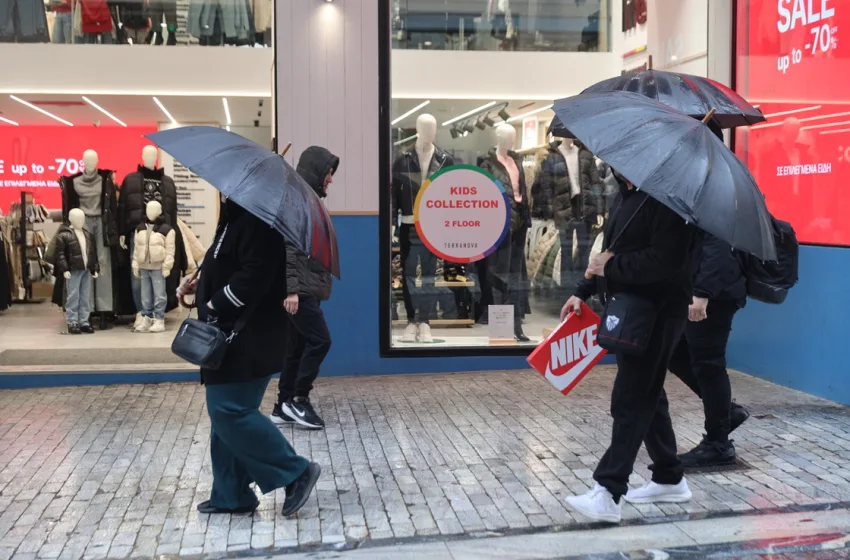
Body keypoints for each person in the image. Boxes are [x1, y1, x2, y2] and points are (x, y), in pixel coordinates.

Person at [560, 170, 694, 524]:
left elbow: (667, 262)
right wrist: (582, 290)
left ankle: (609, 490)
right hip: (629, 308)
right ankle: (669, 477)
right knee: (648, 394)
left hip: (658, 313)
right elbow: (608, 251)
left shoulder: (668, 201)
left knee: (631, 398)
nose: (610, 165)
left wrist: (613, 266)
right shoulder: (629, 197)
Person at [177, 197, 321, 517]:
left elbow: (255, 276)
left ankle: (295, 472)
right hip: (232, 338)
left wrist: (214, 303)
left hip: (248, 339)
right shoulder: (234, 218)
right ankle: (231, 494)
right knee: (225, 417)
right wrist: (200, 286)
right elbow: (229, 266)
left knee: (230, 411)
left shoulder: (259, 222)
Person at [668, 231, 750, 468]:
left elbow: (720, 247)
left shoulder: (716, 202)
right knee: (674, 353)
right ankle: (726, 414)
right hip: (696, 290)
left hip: (712, 296)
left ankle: (718, 445)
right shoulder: (699, 200)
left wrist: (702, 292)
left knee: (709, 366)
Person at [271, 146, 339, 430]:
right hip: (300, 289)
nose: (331, 180)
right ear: (316, 171)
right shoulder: (298, 200)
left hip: (305, 286)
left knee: (297, 346)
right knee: (320, 340)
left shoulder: (306, 199)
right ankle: (299, 399)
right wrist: (291, 290)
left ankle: (282, 405)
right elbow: (288, 247)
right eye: (328, 173)